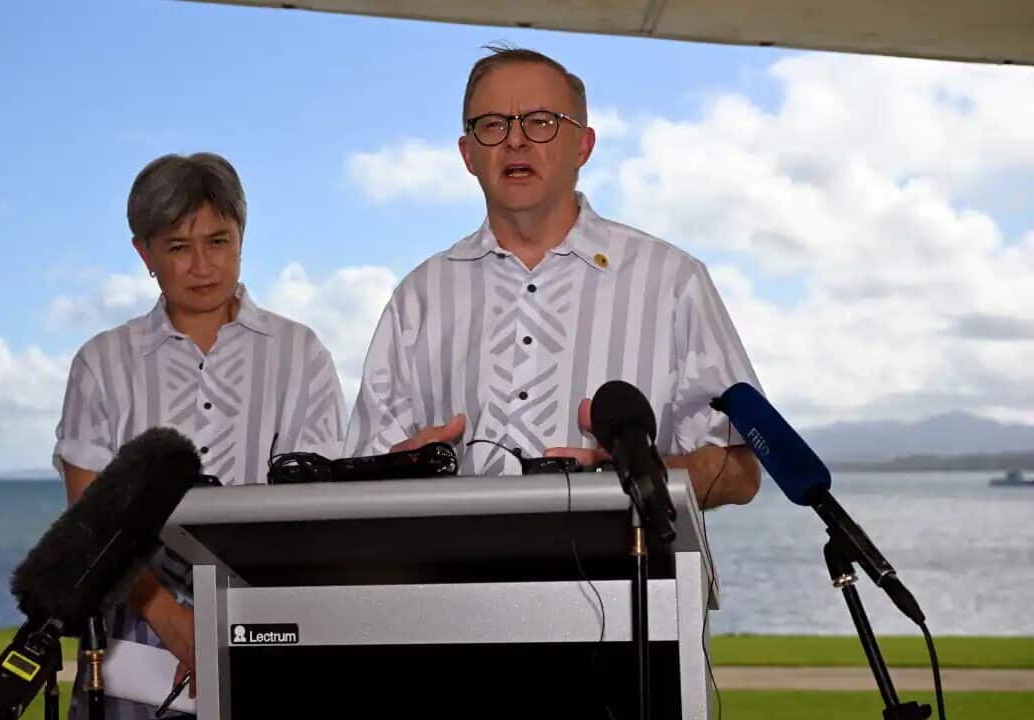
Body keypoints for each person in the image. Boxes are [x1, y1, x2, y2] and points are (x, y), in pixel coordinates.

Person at [345, 47, 760, 508]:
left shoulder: (673, 282)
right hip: (457, 578)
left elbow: (740, 471)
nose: (515, 141)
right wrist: (395, 472)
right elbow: (361, 477)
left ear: (583, 145)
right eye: (492, 124)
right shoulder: (417, 299)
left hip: (633, 574)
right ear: (468, 154)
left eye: (541, 121)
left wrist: (632, 476)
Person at [53, 152, 346, 718]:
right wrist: (167, 616)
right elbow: (87, 520)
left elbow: (318, 511)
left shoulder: (299, 353)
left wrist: (235, 625)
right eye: (179, 248)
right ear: (144, 253)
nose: (204, 265)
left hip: (268, 628)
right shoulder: (102, 362)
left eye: (219, 241)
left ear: (242, 236)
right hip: (130, 651)